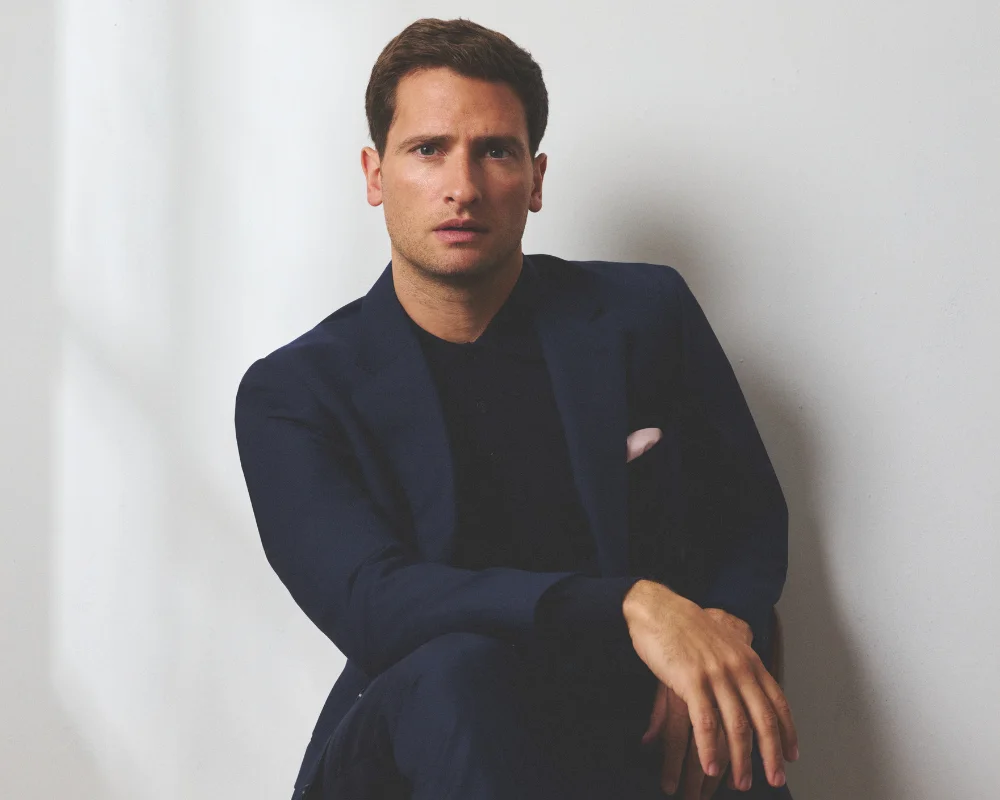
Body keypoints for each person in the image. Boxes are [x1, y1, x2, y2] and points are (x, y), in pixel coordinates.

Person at [235, 17, 799, 800]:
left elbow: (749, 517)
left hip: (635, 727)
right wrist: (634, 606)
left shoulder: (646, 315)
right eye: (427, 149)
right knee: (455, 669)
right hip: (417, 751)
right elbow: (374, 602)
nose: (460, 186)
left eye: (493, 151)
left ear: (534, 179)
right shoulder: (294, 393)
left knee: (728, 715)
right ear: (374, 174)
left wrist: (713, 635)